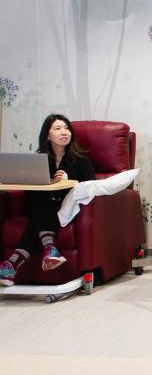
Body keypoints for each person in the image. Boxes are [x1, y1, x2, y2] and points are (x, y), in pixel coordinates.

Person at [0, 114, 95, 286]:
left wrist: (68, 179)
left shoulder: (81, 160)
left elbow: (91, 186)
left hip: (68, 209)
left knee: (39, 215)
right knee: (40, 199)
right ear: (47, 135)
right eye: (58, 128)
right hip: (42, 207)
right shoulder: (38, 160)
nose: (64, 132)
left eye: (66, 128)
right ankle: (49, 249)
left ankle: (12, 264)